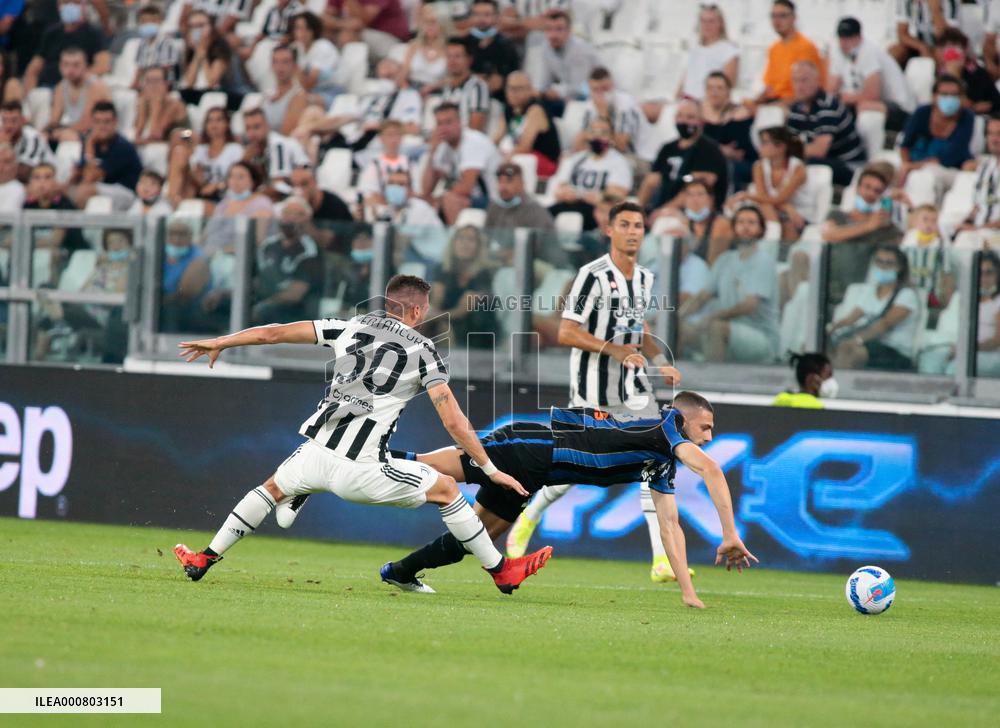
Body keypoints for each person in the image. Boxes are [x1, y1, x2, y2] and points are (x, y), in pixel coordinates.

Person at [173, 274, 554, 595]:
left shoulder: (349, 326)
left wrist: (221, 341)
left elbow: (272, 334)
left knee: (270, 489)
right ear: (419, 311)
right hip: (361, 467)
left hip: (317, 452)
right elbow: (454, 421)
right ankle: (501, 571)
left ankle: (204, 557)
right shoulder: (424, 350)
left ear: (389, 305)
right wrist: (489, 469)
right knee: (446, 490)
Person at [373, 392, 757, 606]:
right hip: (530, 448)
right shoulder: (667, 428)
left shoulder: (661, 462)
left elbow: (670, 525)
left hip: (535, 471)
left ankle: (401, 571)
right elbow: (712, 469)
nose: (708, 437)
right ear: (683, 418)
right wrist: (730, 533)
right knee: (420, 467)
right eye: (705, 427)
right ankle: (354, 456)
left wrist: (688, 594)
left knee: (471, 539)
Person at [506, 201, 692, 585]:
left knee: (655, 458)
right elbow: (566, 331)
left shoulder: (644, 278)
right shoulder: (591, 276)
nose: (633, 231)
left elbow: (636, 329)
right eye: (624, 224)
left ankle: (662, 560)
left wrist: (657, 361)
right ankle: (527, 516)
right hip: (591, 388)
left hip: (633, 387)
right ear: (609, 231)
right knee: (572, 469)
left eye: (639, 225)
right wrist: (615, 350)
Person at [678, 205, 779, 363]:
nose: (745, 227)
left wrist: (712, 317)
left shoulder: (764, 261)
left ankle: (711, 384)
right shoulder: (725, 259)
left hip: (760, 337)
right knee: (678, 329)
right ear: (733, 228)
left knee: (716, 328)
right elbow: (702, 296)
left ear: (761, 229)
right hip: (726, 328)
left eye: (751, 223)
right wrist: (678, 317)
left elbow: (749, 306)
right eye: (741, 222)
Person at [828, 245, 921, 371]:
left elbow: (885, 324)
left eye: (889, 263)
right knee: (824, 346)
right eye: (879, 261)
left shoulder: (906, 294)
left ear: (899, 267)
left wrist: (857, 339)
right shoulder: (870, 291)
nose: (883, 266)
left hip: (894, 350)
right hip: (870, 343)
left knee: (850, 350)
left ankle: (839, 388)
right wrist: (830, 329)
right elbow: (851, 318)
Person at [827, 16, 915, 131]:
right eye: (841, 38)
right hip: (875, 104)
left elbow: (872, 95)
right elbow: (831, 90)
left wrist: (843, 98)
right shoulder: (839, 53)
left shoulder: (868, 52)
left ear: (859, 37)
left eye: (849, 38)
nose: (844, 42)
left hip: (900, 109)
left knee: (864, 107)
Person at [786, 60, 866, 187]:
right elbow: (789, 142)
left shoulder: (828, 106)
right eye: (795, 81)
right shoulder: (796, 108)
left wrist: (788, 151)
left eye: (804, 80)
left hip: (847, 165)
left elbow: (819, 151)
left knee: (800, 163)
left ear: (818, 81)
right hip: (821, 162)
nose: (799, 86)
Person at [641, 99, 728, 214]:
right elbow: (651, 182)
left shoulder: (709, 150)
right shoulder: (667, 148)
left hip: (694, 212)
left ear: (701, 121)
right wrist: (638, 210)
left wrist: (662, 212)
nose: (684, 121)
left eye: (690, 117)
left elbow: (698, 189)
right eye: (680, 116)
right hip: (663, 207)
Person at [423, 102, 501, 224]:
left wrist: (439, 200)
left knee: (449, 199)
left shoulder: (473, 141)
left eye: (448, 122)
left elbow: (466, 187)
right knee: (422, 201)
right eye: (440, 123)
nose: (444, 128)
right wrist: (432, 151)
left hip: (492, 200)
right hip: (467, 199)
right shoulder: (443, 146)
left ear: (460, 122)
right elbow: (426, 189)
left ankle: (456, 241)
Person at [548, 116, 631, 231]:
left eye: (603, 133)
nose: (597, 136)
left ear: (611, 136)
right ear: (587, 135)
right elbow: (560, 188)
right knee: (544, 214)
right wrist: (566, 194)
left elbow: (615, 196)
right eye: (593, 132)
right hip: (569, 204)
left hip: (597, 209)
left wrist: (581, 195)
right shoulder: (576, 159)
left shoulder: (619, 162)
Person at [733, 126, 813, 241]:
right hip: (778, 210)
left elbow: (780, 198)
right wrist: (786, 207)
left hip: (798, 212)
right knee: (762, 209)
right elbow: (762, 196)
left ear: (781, 147)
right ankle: (772, 237)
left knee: (788, 225)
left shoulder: (798, 168)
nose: (760, 147)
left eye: (765, 143)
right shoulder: (759, 166)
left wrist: (747, 195)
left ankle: (773, 241)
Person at [252, 197, 323, 324]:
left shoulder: (310, 250)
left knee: (264, 312)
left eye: (298, 214)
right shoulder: (267, 246)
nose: (291, 218)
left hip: (293, 310)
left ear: (307, 220)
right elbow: (254, 280)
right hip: (261, 298)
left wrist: (263, 305)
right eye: (287, 213)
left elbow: (295, 294)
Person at [898, 74, 973, 189]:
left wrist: (918, 165)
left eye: (954, 95)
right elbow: (905, 145)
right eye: (944, 94)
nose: (949, 98)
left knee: (928, 175)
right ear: (934, 96)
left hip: (949, 169)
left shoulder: (967, 117)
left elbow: (953, 153)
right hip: (917, 164)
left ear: (961, 98)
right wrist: (907, 165)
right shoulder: (922, 113)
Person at [428, 225, 497, 342]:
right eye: (460, 238)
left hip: (475, 328)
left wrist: (432, 316)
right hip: (444, 321)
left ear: (479, 246)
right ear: (453, 243)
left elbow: (462, 311)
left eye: (471, 240)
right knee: (436, 327)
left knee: (442, 329)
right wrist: (430, 317)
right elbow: (437, 300)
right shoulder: (442, 268)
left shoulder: (484, 273)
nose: (464, 244)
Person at [71, 101, 143, 211]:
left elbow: (90, 177)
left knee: (84, 191)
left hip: (126, 192)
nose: (102, 126)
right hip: (102, 189)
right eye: (97, 122)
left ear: (115, 122)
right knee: (63, 190)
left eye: (107, 122)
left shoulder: (122, 146)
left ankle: (76, 227)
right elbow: (82, 173)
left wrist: (89, 144)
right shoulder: (93, 142)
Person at [524, 9, 600, 112]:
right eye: (549, 29)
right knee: (531, 103)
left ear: (569, 31)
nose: (553, 35)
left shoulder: (580, 50)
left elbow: (580, 87)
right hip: (568, 97)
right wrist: (538, 93)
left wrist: (557, 92)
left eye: (559, 29)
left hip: (593, 96)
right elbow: (544, 83)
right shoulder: (546, 48)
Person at [23, 0, 110, 91]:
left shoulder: (94, 33)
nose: (70, 6)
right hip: (48, 87)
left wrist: (76, 79)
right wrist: (30, 94)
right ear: (58, 6)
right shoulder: (51, 34)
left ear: (84, 6)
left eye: (76, 3)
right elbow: (33, 69)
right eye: (66, 2)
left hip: (79, 89)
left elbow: (103, 65)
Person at [578, 67, 654, 164]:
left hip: (638, 157)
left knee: (605, 164)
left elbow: (620, 146)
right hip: (608, 156)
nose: (600, 94)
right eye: (595, 90)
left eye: (604, 89)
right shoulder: (590, 105)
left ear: (612, 85)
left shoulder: (625, 104)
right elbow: (578, 145)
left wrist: (603, 114)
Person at [167, 106, 243, 205]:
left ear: (227, 124)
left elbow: (240, 176)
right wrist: (191, 135)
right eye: (210, 121)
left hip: (223, 193)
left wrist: (217, 185)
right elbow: (177, 134)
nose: (214, 124)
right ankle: (172, 200)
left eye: (219, 120)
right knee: (179, 151)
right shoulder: (200, 149)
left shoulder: (235, 149)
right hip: (200, 190)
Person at [492, 71, 560, 177]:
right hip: (518, 155)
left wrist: (506, 157)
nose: (513, 93)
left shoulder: (536, 109)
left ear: (530, 89)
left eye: (518, 89)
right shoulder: (508, 109)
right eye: (510, 88)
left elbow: (525, 146)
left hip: (542, 160)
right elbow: (496, 138)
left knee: (514, 161)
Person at [757, 0, 825, 104]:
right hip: (773, 100)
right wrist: (755, 102)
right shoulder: (774, 48)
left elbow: (807, 90)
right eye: (773, 16)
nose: (777, 21)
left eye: (782, 16)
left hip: (795, 103)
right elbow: (769, 86)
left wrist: (779, 105)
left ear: (794, 18)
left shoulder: (805, 46)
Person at [655, 178, 733, 265]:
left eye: (700, 194)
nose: (695, 199)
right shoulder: (683, 223)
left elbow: (714, 262)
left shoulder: (721, 224)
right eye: (690, 195)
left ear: (711, 199)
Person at [201, 161, 274, 252]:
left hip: (237, 256)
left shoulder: (261, 203)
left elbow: (257, 240)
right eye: (231, 176)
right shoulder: (223, 204)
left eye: (240, 177)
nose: (235, 181)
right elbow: (206, 234)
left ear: (253, 181)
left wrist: (222, 251)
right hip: (209, 253)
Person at [701, 72, 756, 192]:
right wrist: (720, 150)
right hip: (711, 163)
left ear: (728, 91)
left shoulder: (740, 115)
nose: (714, 92)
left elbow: (740, 152)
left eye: (719, 88)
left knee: (728, 168)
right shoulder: (699, 116)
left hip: (742, 165)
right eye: (710, 88)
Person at [45, 46, 110, 143]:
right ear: (60, 66)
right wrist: (47, 131)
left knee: (67, 136)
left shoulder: (95, 86)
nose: (70, 70)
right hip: (73, 131)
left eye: (76, 65)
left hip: (97, 134)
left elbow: (88, 122)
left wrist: (61, 132)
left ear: (85, 66)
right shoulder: (61, 87)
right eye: (66, 65)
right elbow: (54, 120)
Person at [678, 3, 739, 100]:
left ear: (721, 23)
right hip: (686, 102)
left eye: (711, 21)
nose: (707, 25)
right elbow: (685, 80)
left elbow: (728, 86)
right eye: (703, 21)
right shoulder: (695, 49)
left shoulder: (729, 50)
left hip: (707, 104)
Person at [23, 162, 87, 253]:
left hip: (70, 255)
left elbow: (55, 241)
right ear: (31, 183)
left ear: (56, 182)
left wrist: (25, 243)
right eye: (37, 178)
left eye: (48, 177)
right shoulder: (28, 205)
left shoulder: (65, 205)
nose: (42, 182)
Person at [242, 107, 310, 191]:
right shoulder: (252, 150)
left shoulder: (278, 144)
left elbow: (279, 184)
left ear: (267, 125)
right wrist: (245, 162)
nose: (252, 133)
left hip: (302, 188)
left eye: (256, 127)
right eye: (248, 128)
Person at [160, 219, 211, 333]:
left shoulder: (198, 258)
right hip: (159, 303)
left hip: (189, 309)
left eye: (182, 235)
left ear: (190, 237)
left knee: (171, 309)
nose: (176, 239)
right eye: (172, 234)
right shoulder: (158, 253)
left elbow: (185, 294)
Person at [935, 27, 1000, 116]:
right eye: (947, 49)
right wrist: (953, 74)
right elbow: (950, 106)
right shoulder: (933, 73)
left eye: (958, 48)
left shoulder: (977, 73)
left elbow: (993, 103)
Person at [955, 115, 1000, 242]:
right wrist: (966, 223)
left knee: (966, 240)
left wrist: (977, 229)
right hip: (980, 231)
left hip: (994, 234)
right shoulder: (985, 167)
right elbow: (978, 205)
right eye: (990, 134)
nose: (994, 139)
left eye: (999, 134)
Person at [901, 204, 954, 311]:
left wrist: (945, 298)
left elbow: (947, 272)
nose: (929, 224)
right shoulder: (908, 238)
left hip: (932, 294)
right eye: (925, 219)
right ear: (915, 221)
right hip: (910, 291)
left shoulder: (942, 243)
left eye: (934, 221)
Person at [322, 0, 409, 62]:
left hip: (390, 40)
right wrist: (341, 24)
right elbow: (324, 18)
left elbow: (363, 21)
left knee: (347, 36)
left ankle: (348, 77)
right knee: (324, 32)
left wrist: (338, 24)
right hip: (354, 30)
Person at [178, 10, 231, 107]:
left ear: (210, 26)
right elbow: (189, 82)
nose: (197, 30)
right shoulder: (189, 49)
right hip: (193, 94)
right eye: (193, 27)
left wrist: (204, 55)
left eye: (201, 25)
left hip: (215, 94)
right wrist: (197, 55)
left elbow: (211, 82)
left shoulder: (220, 47)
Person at [467, 0, 519, 98]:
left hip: (499, 98)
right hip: (467, 95)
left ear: (496, 16)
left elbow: (507, 78)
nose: (481, 19)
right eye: (477, 14)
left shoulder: (506, 45)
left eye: (486, 15)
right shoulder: (464, 43)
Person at [357, 119, 409, 213]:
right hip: (382, 209)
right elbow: (367, 194)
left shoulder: (410, 164)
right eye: (389, 135)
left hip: (406, 209)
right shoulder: (374, 165)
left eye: (397, 135)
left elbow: (416, 193)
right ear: (381, 138)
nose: (394, 140)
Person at [439, 36, 490, 132]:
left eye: (457, 56)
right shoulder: (447, 88)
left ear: (469, 60)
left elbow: (475, 129)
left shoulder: (478, 87)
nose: (452, 61)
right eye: (449, 56)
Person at [290, 11, 341, 106]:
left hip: (330, 93)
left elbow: (309, 84)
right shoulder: (296, 48)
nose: (302, 33)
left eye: (307, 28)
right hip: (309, 93)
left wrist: (294, 66)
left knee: (299, 101)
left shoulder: (323, 47)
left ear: (314, 30)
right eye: (298, 28)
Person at [485, 161, 554, 230]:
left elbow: (545, 238)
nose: (503, 186)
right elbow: (486, 236)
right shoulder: (494, 208)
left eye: (509, 181)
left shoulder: (534, 210)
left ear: (522, 183)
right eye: (500, 181)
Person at [890, 0, 959, 69]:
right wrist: (922, 47)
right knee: (895, 52)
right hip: (919, 44)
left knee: (943, 53)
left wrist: (935, 11)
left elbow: (946, 38)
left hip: (943, 44)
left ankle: (940, 78)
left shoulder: (950, 2)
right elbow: (902, 34)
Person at [259, 44, 308, 137]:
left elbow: (286, 134)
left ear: (294, 66)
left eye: (285, 62)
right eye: (275, 62)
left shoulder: (299, 96)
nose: (280, 67)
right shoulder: (267, 94)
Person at [396, 3, 446, 91]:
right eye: (426, 22)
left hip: (436, 91)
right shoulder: (414, 46)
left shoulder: (448, 49)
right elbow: (402, 75)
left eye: (433, 22)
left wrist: (432, 88)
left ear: (442, 24)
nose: (429, 27)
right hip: (411, 89)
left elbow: (451, 78)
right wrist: (409, 92)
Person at [133, 66, 187, 146]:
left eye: (156, 81)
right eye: (148, 81)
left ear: (166, 84)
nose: (152, 85)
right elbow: (136, 137)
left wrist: (156, 106)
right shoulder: (143, 103)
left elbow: (156, 135)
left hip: (175, 145)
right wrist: (142, 113)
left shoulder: (175, 105)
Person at [1, 100, 55, 180]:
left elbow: (25, 172)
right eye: (5, 121)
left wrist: (5, 146)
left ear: (23, 120)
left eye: (14, 120)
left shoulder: (33, 137)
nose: (9, 125)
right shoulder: (3, 136)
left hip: (47, 178)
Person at [133, 4, 182, 87]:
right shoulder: (142, 44)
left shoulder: (167, 43)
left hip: (164, 84)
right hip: (146, 84)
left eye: (152, 21)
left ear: (160, 22)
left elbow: (166, 70)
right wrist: (134, 84)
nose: (147, 24)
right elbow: (140, 68)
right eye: (144, 21)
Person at [772, 352, 838, 408]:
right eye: (828, 376)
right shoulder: (816, 406)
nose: (831, 381)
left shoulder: (781, 399)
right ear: (811, 378)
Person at [0, 141, 23, 211]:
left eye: (6, 162)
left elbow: (5, 218)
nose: (1, 167)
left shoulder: (17, 189)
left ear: (16, 167)